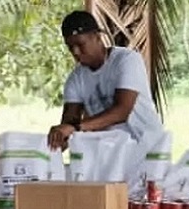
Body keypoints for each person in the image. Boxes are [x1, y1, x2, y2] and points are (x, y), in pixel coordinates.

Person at [47, 10, 163, 150]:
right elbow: (69, 122)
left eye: (80, 44)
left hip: (145, 149)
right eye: (70, 47)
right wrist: (60, 137)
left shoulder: (127, 60)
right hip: (109, 154)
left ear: (97, 37)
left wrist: (76, 128)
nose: (75, 52)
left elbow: (121, 111)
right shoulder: (75, 80)